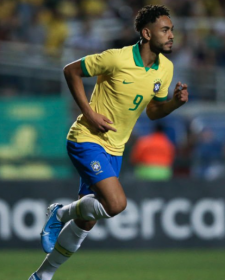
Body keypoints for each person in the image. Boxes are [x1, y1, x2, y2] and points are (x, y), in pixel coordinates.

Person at [29, 5, 189, 280]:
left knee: (87, 220)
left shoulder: (165, 69)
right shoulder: (117, 58)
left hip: (115, 149)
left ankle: (42, 276)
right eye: (165, 29)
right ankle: (59, 213)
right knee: (116, 204)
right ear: (147, 33)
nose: (171, 34)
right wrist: (89, 113)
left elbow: (152, 111)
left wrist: (174, 103)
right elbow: (71, 71)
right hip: (87, 139)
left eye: (172, 29)